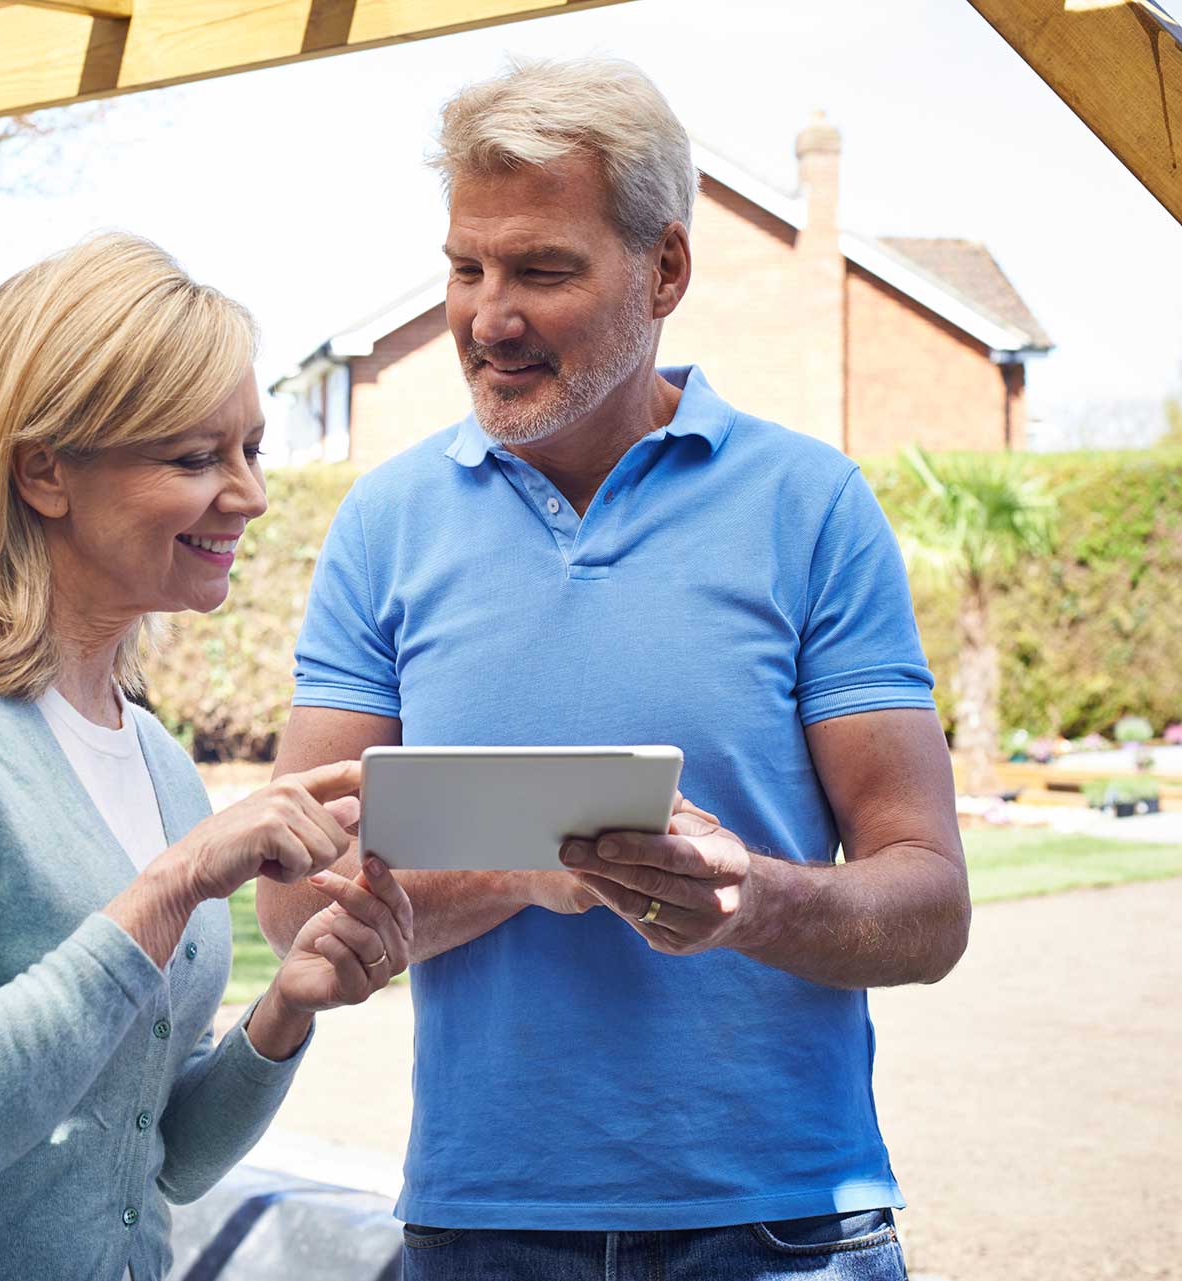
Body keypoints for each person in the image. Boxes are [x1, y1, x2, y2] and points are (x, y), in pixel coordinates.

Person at [257, 57, 969, 1280]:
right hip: (482, 1226)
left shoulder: (810, 507)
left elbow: (929, 903)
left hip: (786, 1229)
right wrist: (529, 876)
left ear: (667, 271)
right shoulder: (388, 522)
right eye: (466, 269)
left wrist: (756, 900)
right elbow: (292, 904)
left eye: (542, 269)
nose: (489, 317)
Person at [0, 233, 414, 1281]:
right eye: (197, 458)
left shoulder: (154, 757)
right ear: (45, 473)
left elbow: (160, 1159)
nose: (248, 496)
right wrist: (178, 881)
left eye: (252, 450)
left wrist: (287, 1007)